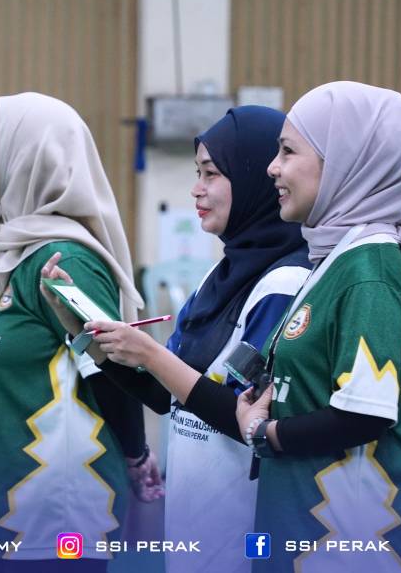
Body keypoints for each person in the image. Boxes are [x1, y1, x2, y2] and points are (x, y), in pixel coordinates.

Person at [42, 106, 310, 573]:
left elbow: (246, 419)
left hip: (245, 529)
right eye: (196, 173)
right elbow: (168, 397)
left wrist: (149, 353)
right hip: (196, 522)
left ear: (256, 179)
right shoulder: (218, 277)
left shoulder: (284, 284)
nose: (196, 189)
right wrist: (81, 329)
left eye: (211, 174)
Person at [236, 81, 401, 572]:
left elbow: (364, 415)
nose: (273, 167)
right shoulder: (336, 258)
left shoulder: (368, 273)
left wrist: (264, 432)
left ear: (346, 162)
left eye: (288, 151)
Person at [0, 92, 161, 571]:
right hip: (17, 513)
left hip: (57, 518)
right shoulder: (22, 255)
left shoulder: (65, 260)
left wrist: (137, 454)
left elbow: (114, 367)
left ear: (28, 154)